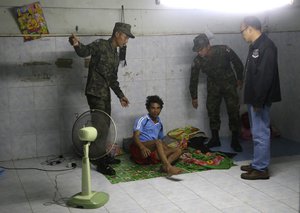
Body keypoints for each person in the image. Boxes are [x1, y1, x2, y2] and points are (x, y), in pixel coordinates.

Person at [69, 22, 135, 175]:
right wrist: (76, 44)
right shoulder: (100, 45)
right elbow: (84, 51)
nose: (126, 41)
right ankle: (99, 162)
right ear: (117, 34)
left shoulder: (115, 54)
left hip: (105, 94)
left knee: (105, 126)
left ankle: (102, 156)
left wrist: (121, 95)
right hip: (94, 93)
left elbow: (113, 79)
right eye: (125, 37)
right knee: (100, 127)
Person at [239, 16, 281, 180]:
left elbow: (266, 76)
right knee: (257, 132)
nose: (242, 34)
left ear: (250, 28)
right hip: (254, 97)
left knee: (261, 132)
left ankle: (261, 168)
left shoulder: (267, 46)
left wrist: (258, 100)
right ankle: (257, 163)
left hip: (260, 98)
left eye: (242, 31)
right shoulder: (255, 46)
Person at [189, 33, 244, 152]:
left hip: (229, 83)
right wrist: (194, 97)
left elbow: (237, 62)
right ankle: (215, 138)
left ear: (208, 46)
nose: (199, 53)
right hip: (213, 85)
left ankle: (235, 139)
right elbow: (193, 78)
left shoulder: (224, 50)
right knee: (212, 110)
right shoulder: (198, 60)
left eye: (200, 49)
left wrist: (240, 78)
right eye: (197, 50)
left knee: (233, 110)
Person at [130, 95, 183, 176]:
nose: (155, 111)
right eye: (153, 108)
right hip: (140, 148)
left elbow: (161, 140)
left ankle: (163, 167)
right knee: (157, 142)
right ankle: (168, 167)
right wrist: (142, 147)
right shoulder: (143, 120)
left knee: (178, 150)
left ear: (161, 109)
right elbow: (135, 137)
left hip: (152, 149)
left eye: (158, 108)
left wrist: (170, 148)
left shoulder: (159, 123)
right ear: (148, 108)